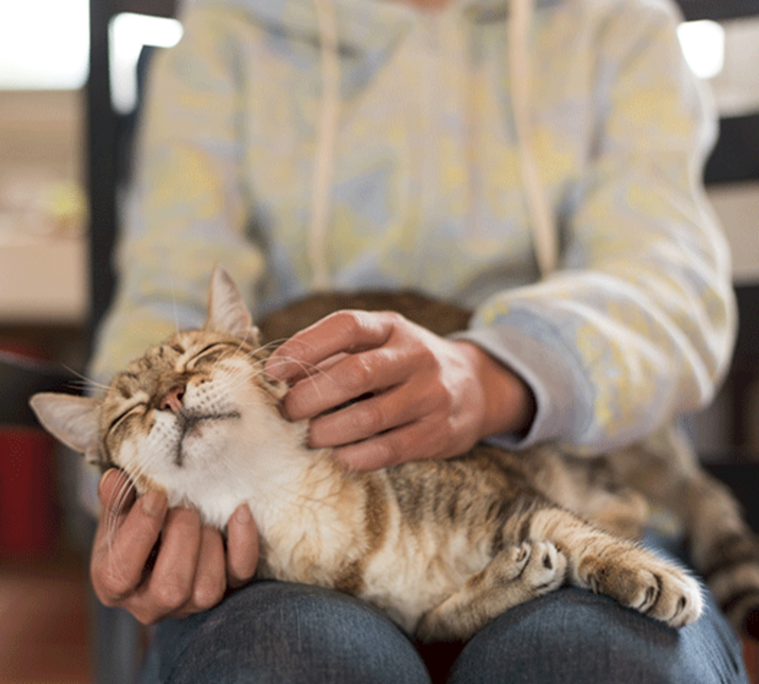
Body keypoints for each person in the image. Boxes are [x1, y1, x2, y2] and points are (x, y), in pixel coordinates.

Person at [87, 0, 743, 681]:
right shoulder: (230, 25)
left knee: (597, 660)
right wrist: (142, 508)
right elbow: (166, 300)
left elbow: (671, 286)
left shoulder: (616, 19)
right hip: (270, 525)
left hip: (584, 485)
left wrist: (494, 374)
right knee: (283, 663)